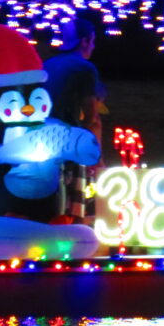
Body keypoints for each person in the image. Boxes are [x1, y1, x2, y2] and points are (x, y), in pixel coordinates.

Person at [44, 15, 106, 221]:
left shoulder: (47, 65)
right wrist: (97, 158)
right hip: (69, 142)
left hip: (39, 141)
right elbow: (91, 118)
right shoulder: (85, 68)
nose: (93, 46)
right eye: (93, 41)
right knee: (73, 209)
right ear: (85, 41)